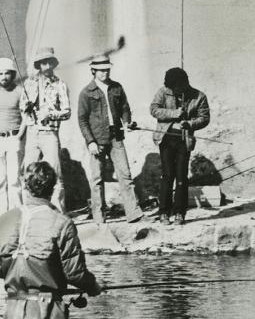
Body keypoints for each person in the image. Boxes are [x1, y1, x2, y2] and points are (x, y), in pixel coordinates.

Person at [0, 160, 100, 319]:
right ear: (53, 187)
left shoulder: (6, 219)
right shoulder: (61, 223)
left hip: (13, 310)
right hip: (47, 313)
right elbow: (74, 274)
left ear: (24, 184)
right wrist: (93, 286)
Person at [77, 56, 143, 225]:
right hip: (97, 141)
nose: (104, 72)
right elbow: (82, 120)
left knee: (125, 175)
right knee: (97, 179)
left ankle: (133, 213)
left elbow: (125, 108)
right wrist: (90, 142)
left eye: (107, 69)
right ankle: (99, 218)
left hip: (116, 137)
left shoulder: (116, 88)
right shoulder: (86, 92)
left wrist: (127, 122)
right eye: (101, 70)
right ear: (93, 71)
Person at [150, 66, 211, 225]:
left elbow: (204, 118)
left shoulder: (198, 96)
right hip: (166, 139)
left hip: (184, 141)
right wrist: (174, 114)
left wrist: (189, 123)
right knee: (167, 175)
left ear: (184, 84)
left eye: (177, 88)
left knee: (181, 176)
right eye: (172, 88)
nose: (174, 91)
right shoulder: (163, 92)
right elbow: (154, 110)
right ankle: (163, 212)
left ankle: (180, 213)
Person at [22, 47, 71, 211]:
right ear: (38, 65)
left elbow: (67, 112)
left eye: (50, 63)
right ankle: (31, 211)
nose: (47, 66)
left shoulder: (60, 85)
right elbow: (22, 108)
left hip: (49, 133)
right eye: (43, 63)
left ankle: (58, 212)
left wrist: (50, 114)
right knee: (28, 173)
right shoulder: (29, 84)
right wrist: (27, 108)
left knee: (55, 175)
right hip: (32, 133)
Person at [0, 57, 26, 216]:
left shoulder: (20, 91)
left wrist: (19, 135)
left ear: (12, 74)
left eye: (7, 73)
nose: (4, 77)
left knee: (14, 179)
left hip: (13, 138)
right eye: (0, 73)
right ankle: (1, 216)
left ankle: (16, 214)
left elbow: (25, 117)